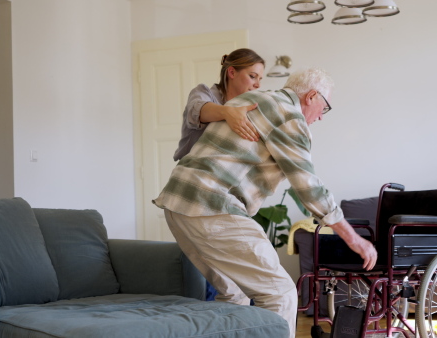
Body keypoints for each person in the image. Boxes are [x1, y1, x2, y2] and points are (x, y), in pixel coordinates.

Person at [153, 67, 377, 338]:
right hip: (211, 206)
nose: (320, 116)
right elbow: (309, 187)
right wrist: (354, 239)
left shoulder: (253, 101)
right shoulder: (289, 115)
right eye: (324, 107)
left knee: (233, 293)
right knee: (280, 293)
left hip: (178, 201)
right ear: (311, 96)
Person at [173, 48, 265, 161]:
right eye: (252, 76)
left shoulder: (249, 106)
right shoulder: (203, 93)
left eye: (260, 79)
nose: (258, 85)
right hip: (193, 170)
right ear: (232, 72)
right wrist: (228, 112)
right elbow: (196, 111)